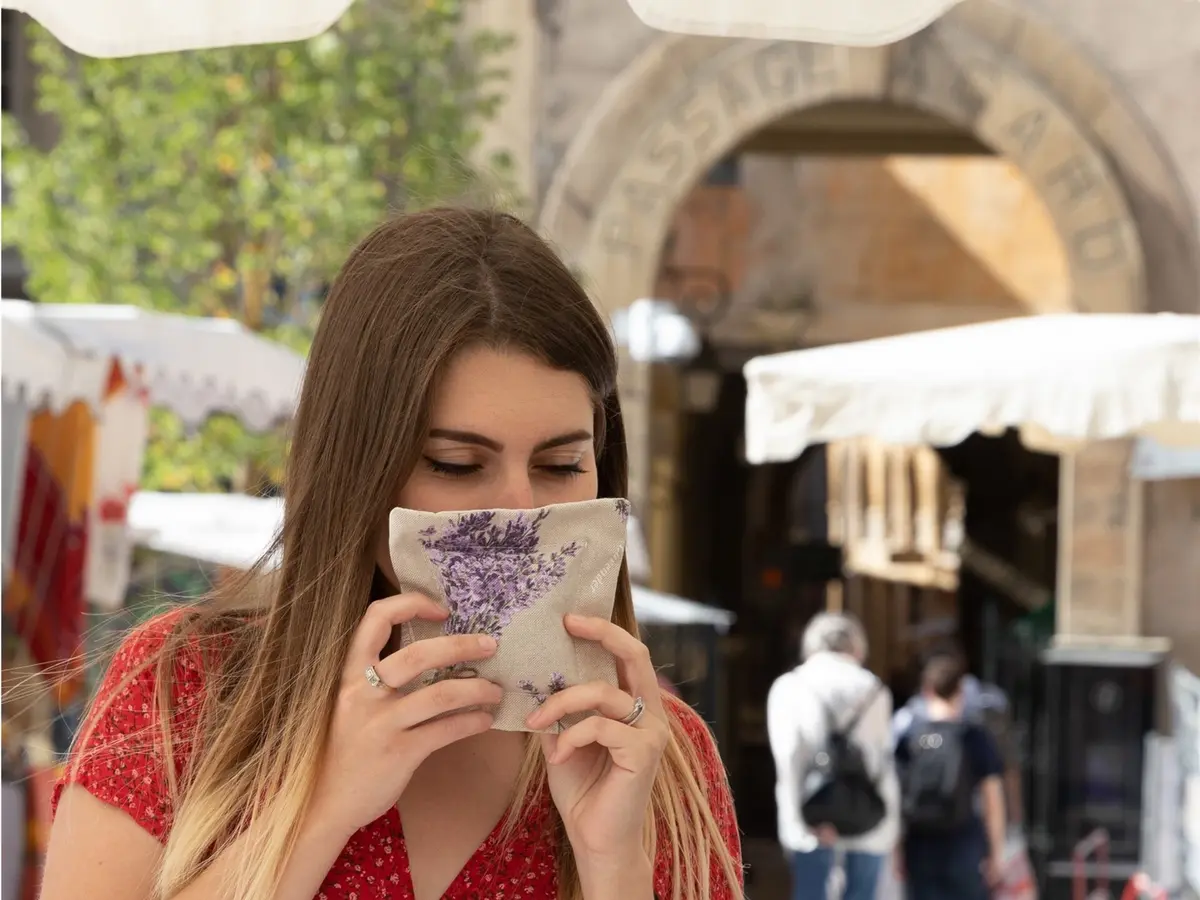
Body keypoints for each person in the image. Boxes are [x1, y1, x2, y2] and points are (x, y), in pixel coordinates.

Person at [39, 208, 744, 900]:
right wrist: (318, 814)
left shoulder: (659, 764)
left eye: (561, 465)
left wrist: (613, 865)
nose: (520, 514)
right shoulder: (185, 693)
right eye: (457, 463)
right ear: (358, 472)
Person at [766, 612, 899, 900]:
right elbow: (880, 759)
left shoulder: (789, 687)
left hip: (812, 813)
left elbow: (788, 759)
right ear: (857, 646)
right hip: (868, 816)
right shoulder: (875, 689)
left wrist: (802, 820)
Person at [894, 653, 1005, 900]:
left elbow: (896, 795)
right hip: (964, 845)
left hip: (919, 845)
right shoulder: (974, 737)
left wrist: (896, 850)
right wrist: (997, 853)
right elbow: (993, 801)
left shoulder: (909, 736)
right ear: (961, 692)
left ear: (927, 690)